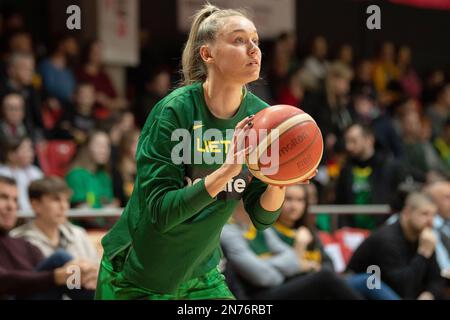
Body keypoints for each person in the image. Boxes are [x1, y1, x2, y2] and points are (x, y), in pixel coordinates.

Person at [95, 4, 315, 300]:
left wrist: (279, 182)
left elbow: (262, 218)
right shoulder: (175, 111)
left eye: (256, 41)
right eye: (239, 40)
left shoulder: (264, 120)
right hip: (138, 273)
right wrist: (227, 170)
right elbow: (161, 212)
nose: (253, 49)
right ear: (207, 54)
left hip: (200, 274)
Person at [220, 201, 361, 300]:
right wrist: (289, 266)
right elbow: (266, 277)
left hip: (282, 283)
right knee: (326, 278)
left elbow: (294, 259)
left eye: (300, 200)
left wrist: (266, 262)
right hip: (259, 293)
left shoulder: (260, 226)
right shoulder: (229, 232)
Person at [0, 176, 97, 300]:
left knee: (67, 265)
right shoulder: (23, 237)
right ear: (35, 205)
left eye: (15, 200)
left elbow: (43, 280)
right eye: (3, 198)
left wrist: (84, 270)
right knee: (60, 259)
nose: (11, 206)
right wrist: (57, 276)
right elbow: (4, 280)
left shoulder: (24, 245)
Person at [347, 192, 445, 299]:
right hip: (363, 288)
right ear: (407, 212)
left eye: (433, 215)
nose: (430, 221)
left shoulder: (424, 237)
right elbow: (402, 286)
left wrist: (429, 294)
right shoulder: (386, 239)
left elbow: (436, 279)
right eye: (424, 214)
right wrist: (423, 254)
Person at [11, 177, 99, 264]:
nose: (64, 206)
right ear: (36, 205)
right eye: (56, 200)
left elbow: (98, 272)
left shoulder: (79, 235)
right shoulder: (17, 240)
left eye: (66, 200)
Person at [336, 123, 405, 229]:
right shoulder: (345, 170)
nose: (348, 147)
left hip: (383, 229)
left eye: (353, 141)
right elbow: (340, 202)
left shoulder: (389, 166)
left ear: (369, 140)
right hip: (353, 233)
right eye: (347, 141)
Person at [272, 184, 334, 271]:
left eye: (300, 200)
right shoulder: (270, 232)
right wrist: (300, 246)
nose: (294, 206)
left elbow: (329, 264)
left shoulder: (309, 230)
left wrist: (316, 268)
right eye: (288, 199)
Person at [65, 130, 118, 229]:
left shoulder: (104, 176)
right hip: (82, 231)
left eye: (107, 146)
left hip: (103, 230)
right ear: (86, 147)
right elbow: (83, 214)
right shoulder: (75, 175)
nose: (104, 150)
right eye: (99, 145)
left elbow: (109, 206)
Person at [0, 136, 43, 210]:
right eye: (26, 150)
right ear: (11, 154)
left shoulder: (36, 172)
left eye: (31, 149)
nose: (31, 153)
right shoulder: (2, 172)